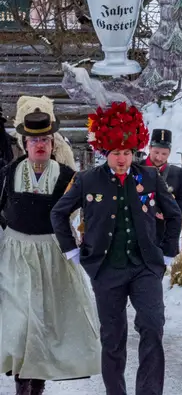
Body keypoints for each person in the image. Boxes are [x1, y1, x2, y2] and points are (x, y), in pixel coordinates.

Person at [51, 101, 182, 395]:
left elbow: (174, 214)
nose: (122, 159)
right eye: (115, 153)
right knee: (113, 337)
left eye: (126, 153)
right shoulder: (87, 180)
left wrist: (166, 252)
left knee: (152, 326)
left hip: (145, 267)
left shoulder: (150, 177)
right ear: (104, 152)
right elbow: (58, 213)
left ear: (134, 151)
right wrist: (72, 250)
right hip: (105, 268)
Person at [0, 109, 101, 395]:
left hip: (52, 255)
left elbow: (90, 213)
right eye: (34, 140)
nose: (40, 145)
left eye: (45, 139)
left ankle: (37, 386)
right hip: (15, 255)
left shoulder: (68, 177)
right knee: (21, 323)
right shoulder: (8, 174)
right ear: (25, 144)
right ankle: (22, 385)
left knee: (43, 324)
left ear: (53, 143)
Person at [142, 129, 182, 244]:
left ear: (169, 152)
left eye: (164, 154)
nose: (159, 158)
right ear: (149, 148)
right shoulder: (135, 169)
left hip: (164, 237)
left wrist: (169, 212)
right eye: (156, 152)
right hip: (139, 234)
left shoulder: (178, 173)